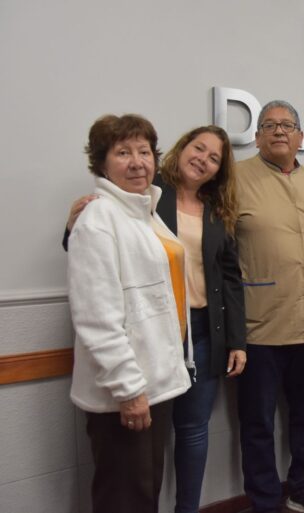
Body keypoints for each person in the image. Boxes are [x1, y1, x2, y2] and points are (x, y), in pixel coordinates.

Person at [65, 125, 247, 513]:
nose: (203, 159)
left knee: (175, 446)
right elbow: (95, 289)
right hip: (141, 350)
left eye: (214, 157)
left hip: (196, 336)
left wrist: (237, 340)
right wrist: (72, 226)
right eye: (199, 148)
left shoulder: (195, 209)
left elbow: (231, 277)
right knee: (130, 477)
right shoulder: (134, 200)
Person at [67, 114, 192, 513]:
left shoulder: (144, 213)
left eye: (144, 152)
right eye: (123, 153)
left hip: (155, 384)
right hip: (127, 393)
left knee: (143, 493)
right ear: (102, 163)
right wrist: (129, 390)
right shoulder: (99, 218)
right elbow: (96, 318)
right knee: (124, 499)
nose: (137, 162)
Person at [235, 100, 304, 513]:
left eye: (287, 125)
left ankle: (302, 488)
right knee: (257, 422)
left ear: (300, 137)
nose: (279, 131)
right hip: (258, 326)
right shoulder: (233, 180)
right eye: (269, 125)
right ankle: (263, 501)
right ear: (257, 136)